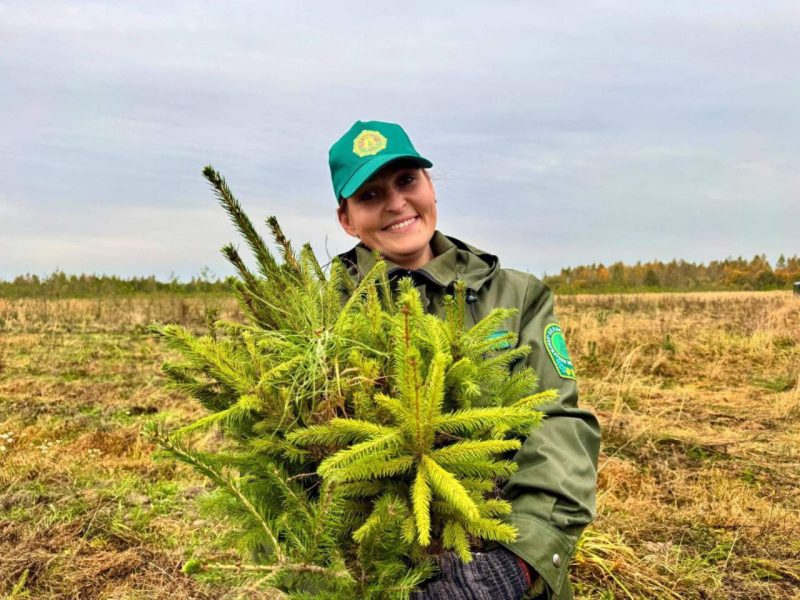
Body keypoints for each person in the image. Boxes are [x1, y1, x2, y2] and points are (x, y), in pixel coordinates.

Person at [328, 120, 601, 600]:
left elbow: (558, 423)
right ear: (347, 220)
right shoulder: (323, 316)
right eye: (370, 195)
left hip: (501, 564)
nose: (396, 203)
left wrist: (518, 563)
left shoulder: (516, 296)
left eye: (407, 181)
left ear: (430, 187)